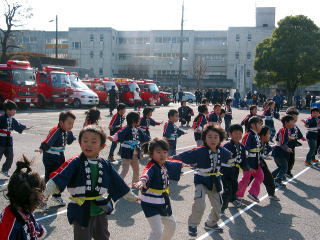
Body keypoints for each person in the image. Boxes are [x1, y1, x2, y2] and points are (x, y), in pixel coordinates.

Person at [43, 125, 139, 240]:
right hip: (81, 209)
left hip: (100, 209)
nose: (88, 144)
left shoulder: (105, 164)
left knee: (103, 236)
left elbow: (118, 182)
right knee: (82, 237)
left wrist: (131, 196)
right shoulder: (75, 162)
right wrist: (45, 192)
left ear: (102, 146)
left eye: (94, 142)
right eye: (85, 141)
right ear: (80, 143)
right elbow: (60, 177)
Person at [172, 126, 231, 236]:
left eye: (215, 137)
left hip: (215, 182)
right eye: (209, 137)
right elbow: (181, 156)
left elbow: (232, 158)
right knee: (199, 203)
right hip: (201, 180)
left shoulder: (223, 151)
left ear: (220, 138)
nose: (212, 139)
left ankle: (211, 223)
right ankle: (193, 224)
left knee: (218, 206)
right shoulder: (199, 151)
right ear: (204, 138)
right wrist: (167, 159)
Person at [135, 138, 183, 240]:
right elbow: (146, 173)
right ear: (151, 154)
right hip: (149, 203)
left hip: (162, 201)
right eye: (158, 152)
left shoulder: (164, 163)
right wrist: (142, 181)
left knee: (171, 226)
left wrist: (183, 164)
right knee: (157, 232)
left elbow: (174, 163)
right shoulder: (151, 166)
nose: (162, 155)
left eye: (165, 152)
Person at [0, 156, 46, 239]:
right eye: (37, 199)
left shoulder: (25, 212)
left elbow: (38, 230)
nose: (42, 198)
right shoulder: (8, 225)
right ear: (25, 197)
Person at [37, 110, 76, 206]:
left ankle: (56, 196)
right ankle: (42, 199)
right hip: (50, 157)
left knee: (59, 176)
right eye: (69, 123)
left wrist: (75, 138)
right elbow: (48, 140)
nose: (71, 126)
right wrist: (42, 148)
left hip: (60, 155)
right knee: (50, 177)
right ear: (61, 122)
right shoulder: (56, 130)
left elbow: (69, 141)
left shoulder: (67, 131)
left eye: (72, 123)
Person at [109, 112, 150, 186]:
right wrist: (113, 138)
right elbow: (119, 134)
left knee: (136, 170)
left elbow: (145, 137)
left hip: (135, 153)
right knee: (125, 170)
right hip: (127, 152)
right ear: (134, 121)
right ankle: (117, 185)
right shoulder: (126, 128)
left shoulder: (138, 129)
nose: (139, 120)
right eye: (138, 119)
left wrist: (152, 140)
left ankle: (135, 184)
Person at [221, 124, 248, 215]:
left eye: (240, 134)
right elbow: (221, 157)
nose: (238, 136)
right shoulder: (227, 146)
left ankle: (233, 200)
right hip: (225, 171)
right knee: (227, 189)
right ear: (230, 134)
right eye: (235, 133)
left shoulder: (242, 147)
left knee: (234, 187)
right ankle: (222, 207)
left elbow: (243, 159)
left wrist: (246, 167)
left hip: (235, 171)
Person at [0, 100, 31, 177]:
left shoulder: (12, 119)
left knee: (10, 156)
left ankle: (5, 170)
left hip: (8, 139)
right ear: (8, 110)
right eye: (14, 110)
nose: (15, 111)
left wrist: (25, 127)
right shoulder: (1, 118)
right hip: (1, 139)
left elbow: (18, 125)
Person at [236, 116, 264, 203]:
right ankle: (237, 195)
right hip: (248, 162)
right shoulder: (248, 135)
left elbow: (259, 148)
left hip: (256, 162)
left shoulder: (257, 135)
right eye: (259, 124)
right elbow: (244, 148)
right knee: (246, 179)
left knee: (260, 176)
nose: (261, 126)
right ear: (252, 125)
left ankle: (253, 193)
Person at [255, 126, 280, 201]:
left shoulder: (264, 142)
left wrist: (273, 147)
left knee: (268, 177)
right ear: (262, 135)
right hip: (253, 162)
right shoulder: (257, 141)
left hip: (260, 161)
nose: (270, 135)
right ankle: (236, 194)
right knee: (248, 179)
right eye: (268, 134)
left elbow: (266, 150)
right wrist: (264, 156)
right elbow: (256, 152)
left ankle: (271, 194)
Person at [271, 115, 295, 187]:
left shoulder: (287, 130)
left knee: (281, 167)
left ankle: (270, 177)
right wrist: (287, 148)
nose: (293, 123)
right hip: (279, 152)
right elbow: (281, 142)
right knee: (284, 167)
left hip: (281, 152)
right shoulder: (283, 130)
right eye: (292, 121)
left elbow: (284, 140)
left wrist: (290, 139)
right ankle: (277, 180)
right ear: (286, 122)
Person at [286, 108, 305, 177]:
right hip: (287, 146)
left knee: (291, 159)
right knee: (287, 160)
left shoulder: (295, 125)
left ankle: (288, 171)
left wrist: (302, 137)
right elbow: (286, 136)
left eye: (296, 117)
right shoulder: (287, 126)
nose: (296, 118)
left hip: (292, 146)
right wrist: (292, 137)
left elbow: (298, 132)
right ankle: (285, 172)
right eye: (294, 117)